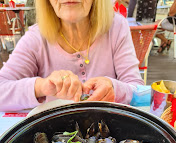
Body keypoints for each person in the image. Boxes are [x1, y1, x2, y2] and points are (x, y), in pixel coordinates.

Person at [0, 0, 144, 112]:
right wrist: (42, 86)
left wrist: (115, 88)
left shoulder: (116, 27)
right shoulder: (36, 38)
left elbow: (139, 92)